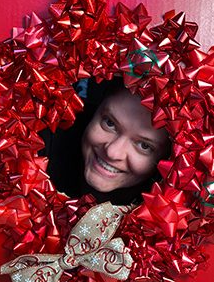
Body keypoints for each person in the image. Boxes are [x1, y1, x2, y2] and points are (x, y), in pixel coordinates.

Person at [42, 78, 170, 205]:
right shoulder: (40, 140)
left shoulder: (164, 215)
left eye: (144, 145)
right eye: (110, 123)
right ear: (95, 110)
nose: (112, 152)